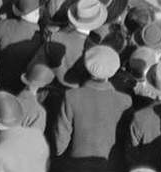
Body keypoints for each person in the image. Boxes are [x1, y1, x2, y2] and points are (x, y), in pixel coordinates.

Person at [54, 44, 131, 172]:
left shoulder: (71, 96)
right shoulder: (125, 101)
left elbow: (61, 137)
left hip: (77, 166)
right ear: (113, 71)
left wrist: (59, 157)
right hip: (111, 166)